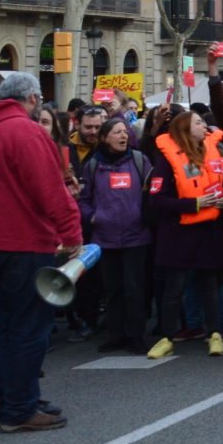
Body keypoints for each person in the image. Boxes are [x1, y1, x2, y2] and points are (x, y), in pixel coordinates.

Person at [0, 73, 84, 431]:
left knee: (8, 328)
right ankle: (19, 408)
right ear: (32, 98)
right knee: (28, 329)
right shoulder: (25, 132)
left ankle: (2, 403)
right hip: (22, 244)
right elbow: (50, 189)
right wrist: (72, 233)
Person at [146, 108, 223, 360]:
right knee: (174, 288)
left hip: (207, 230)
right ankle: (166, 337)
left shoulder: (211, 152)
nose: (205, 127)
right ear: (186, 129)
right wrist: (195, 204)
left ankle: (215, 334)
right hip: (177, 232)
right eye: (199, 123)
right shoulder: (166, 160)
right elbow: (157, 201)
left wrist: (221, 201)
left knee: (210, 284)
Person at [77, 115, 153, 354]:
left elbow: (152, 193)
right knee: (112, 289)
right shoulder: (92, 165)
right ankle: (115, 334)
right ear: (104, 138)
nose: (123, 136)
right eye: (117, 132)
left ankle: (136, 335)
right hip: (105, 237)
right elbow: (83, 199)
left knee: (134, 288)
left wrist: (146, 216)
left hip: (136, 236)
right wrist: (92, 216)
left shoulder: (140, 161)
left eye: (125, 132)